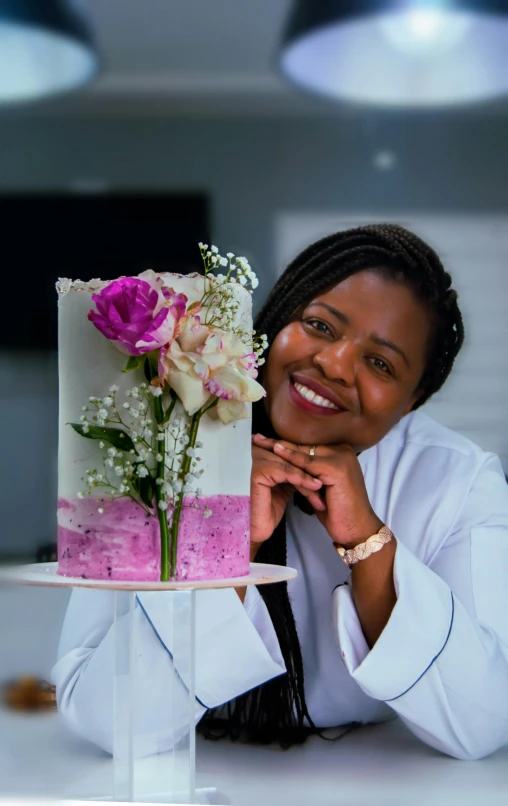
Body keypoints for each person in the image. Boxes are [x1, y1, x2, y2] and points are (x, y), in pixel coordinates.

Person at [53, 224, 508, 761]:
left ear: (413, 402)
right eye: (318, 325)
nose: (335, 364)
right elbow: (104, 719)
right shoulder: (153, 440)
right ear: (277, 315)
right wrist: (222, 538)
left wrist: (368, 544)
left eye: (381, 363)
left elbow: (486, 719)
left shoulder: (457, 481)